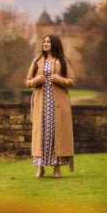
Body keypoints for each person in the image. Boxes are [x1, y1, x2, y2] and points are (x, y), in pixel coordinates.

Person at [25, 34, 76, 178]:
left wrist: (59, 79)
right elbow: (27, 81)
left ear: (54, 44)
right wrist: (36, 80)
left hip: (57, 105)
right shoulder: (37, 61)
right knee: (42, 135)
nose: (45, 44)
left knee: (56, 135)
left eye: (48, 42)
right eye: (44, 41)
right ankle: (40, 168)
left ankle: (56, 169)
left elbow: (72, 81)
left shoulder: (63, 61)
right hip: (42, 104)